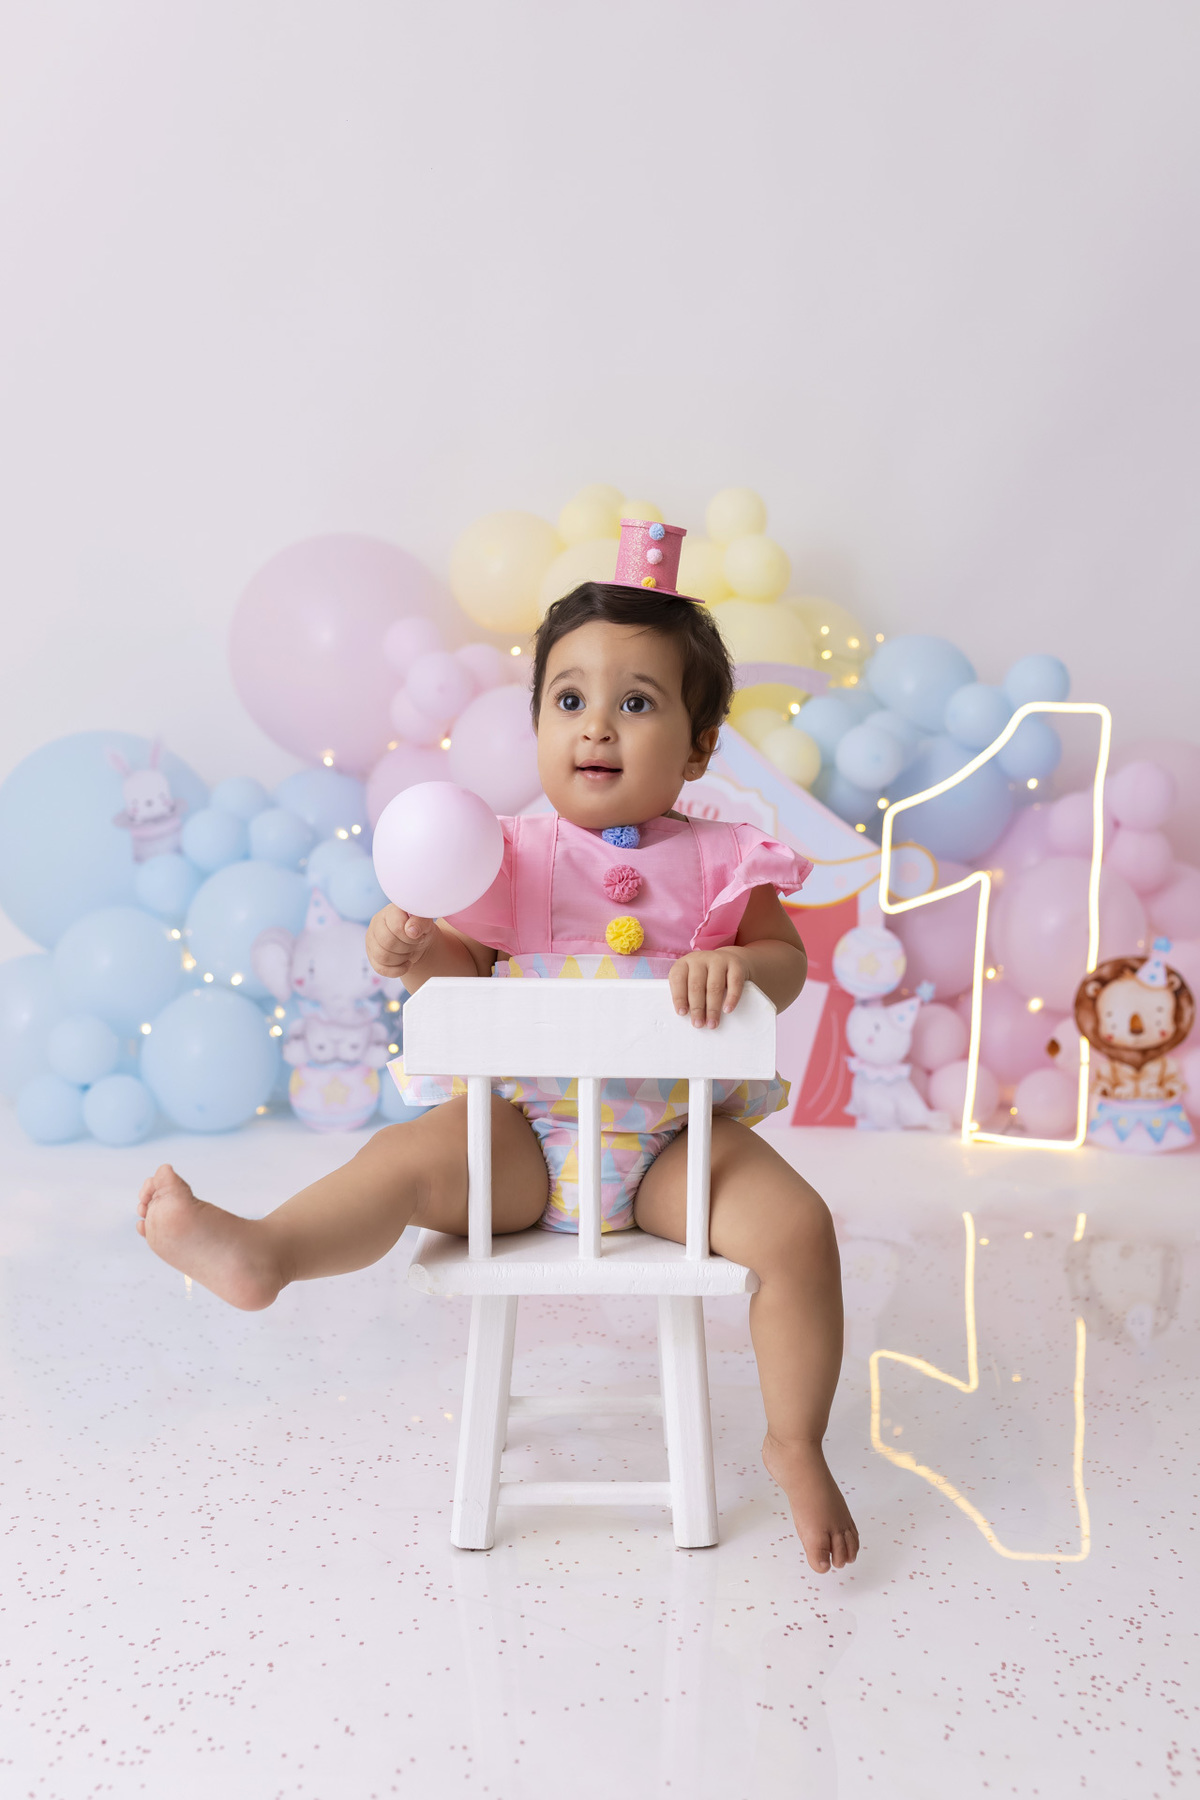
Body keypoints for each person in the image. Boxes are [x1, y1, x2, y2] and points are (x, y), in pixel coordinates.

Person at [138, 530, 859, 1574]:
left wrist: (745, 966)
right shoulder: (506, 855)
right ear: (534, 728)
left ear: (699, 749)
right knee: (401, 1162)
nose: (597, 726)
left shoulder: (720, 859)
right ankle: (268, 1253)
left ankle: (796, 1441)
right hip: (528, 1135)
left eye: (638, 702)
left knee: (800, 1231)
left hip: (671, 1147)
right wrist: (417, 945)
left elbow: (789, 965)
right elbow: (459, 989)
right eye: (568, 701)